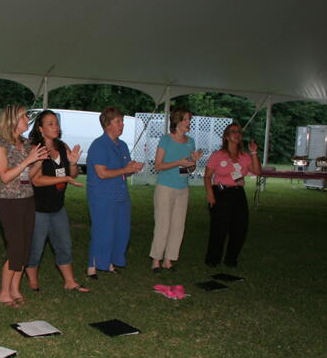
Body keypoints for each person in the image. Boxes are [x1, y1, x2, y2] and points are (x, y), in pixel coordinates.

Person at [24, 110, 90, 293]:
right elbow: (36, 180)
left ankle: (69, 281)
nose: (56, 127)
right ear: (40, 128)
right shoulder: (36, 149)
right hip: (38, 207)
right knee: (36, 247)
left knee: (64, 244)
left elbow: (72, 174)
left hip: (57, 206)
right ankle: (33, 282)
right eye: (50, 123)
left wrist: (74, 163)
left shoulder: (62, 146)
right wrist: (63, 180)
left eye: (56, 123)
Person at [0, 105, 48, 306]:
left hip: (27, 199)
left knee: (25, 248)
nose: (27, 119)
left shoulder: (25, 143)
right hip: (10, 202)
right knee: (15, 248)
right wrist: (28, 161)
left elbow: (28, 177)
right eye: (24, 116)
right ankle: (3, 292)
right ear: (13, 120)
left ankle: (15, 289)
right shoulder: (0, 144)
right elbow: (5, 176)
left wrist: (39, 161)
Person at [85, 106, 144, 279]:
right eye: (118, 121)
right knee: (102, 230)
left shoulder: (122, 145)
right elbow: (102, 173)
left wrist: (132, 168)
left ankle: (109, 262)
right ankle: (93, 266)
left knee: (120, 231)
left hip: (120, 194)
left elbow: (124, 170)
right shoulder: (99, 145)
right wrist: (125, 169)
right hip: (102, 196)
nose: (122, 125)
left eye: (122, 121)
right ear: (107, 124)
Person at [149, 109, 202, 273]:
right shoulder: (166, 140)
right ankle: (156, 260)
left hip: (183, 188)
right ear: (177, 121)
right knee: (163, 224)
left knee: (178, 226)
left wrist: (192, 162)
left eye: (189, 119)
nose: (188, 122)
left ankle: (168, 260)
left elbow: (191, 169)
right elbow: (158, 166)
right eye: (185, 119)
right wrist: (177, 162)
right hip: (165, 187)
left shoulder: (190, 142)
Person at [203, 122, 262, 268]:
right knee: (219, 228)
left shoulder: (244, 156)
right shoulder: (218, 155)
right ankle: (213, 259)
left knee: (240, 227)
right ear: (227, 136)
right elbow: (207, 176)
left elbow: (257, 172)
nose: (238, 134)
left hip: (237, 193)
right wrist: (210, 194)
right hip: (221, 192)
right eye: (234, 131)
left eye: (239, 132)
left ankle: (231, 260)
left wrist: (254, 152)